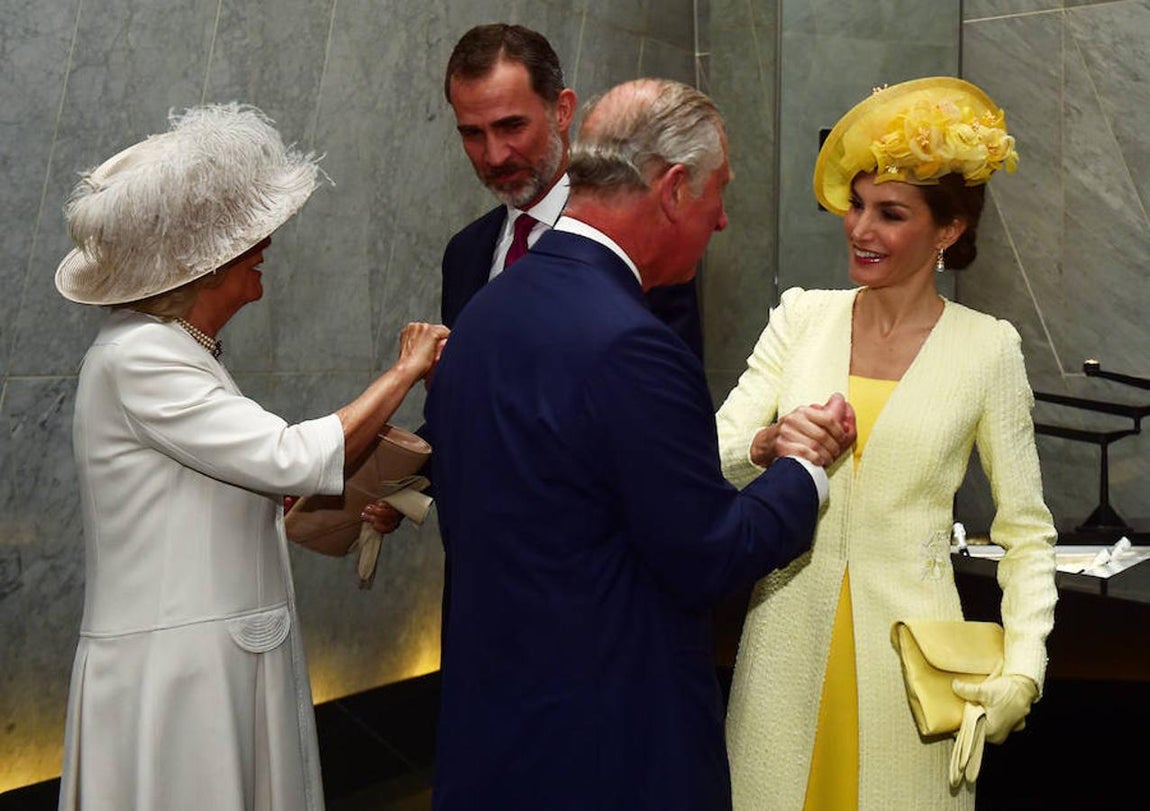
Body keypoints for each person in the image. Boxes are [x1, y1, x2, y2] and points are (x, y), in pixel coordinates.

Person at [423, 78, 857, 810]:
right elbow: (707, 555)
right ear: (675, 189)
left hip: (489, 734)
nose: (721, 221)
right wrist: (803, 469)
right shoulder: (634, 345)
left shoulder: (486, 314)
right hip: (610, 747)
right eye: (719, 192)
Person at [54, 103, 448, 811]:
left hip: (200, 664)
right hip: (179, 682)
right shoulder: (142, 355)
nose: (263, 246)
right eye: (244, 240)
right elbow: (290, 457)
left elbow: (237, 479)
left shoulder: (167, 350)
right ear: (200, 268)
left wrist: (343, 494)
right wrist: (406, 369)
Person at [717, 77, 1058, 810]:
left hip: (914, 678)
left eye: (890, 213)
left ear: (948, 230)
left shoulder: (988, 350)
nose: (859, 228)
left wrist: (1023, 669)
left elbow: (1026, 535)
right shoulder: (802, 317)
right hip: (783, 652)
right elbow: (711, 454)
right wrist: (770, 442)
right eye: (857, 205)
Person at [441, 22, 704, 358]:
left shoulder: (640, 239)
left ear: (562, 111)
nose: (494, 155)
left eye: (512, 126)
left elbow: (668, 393)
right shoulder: (464, 253)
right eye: (473, 134)